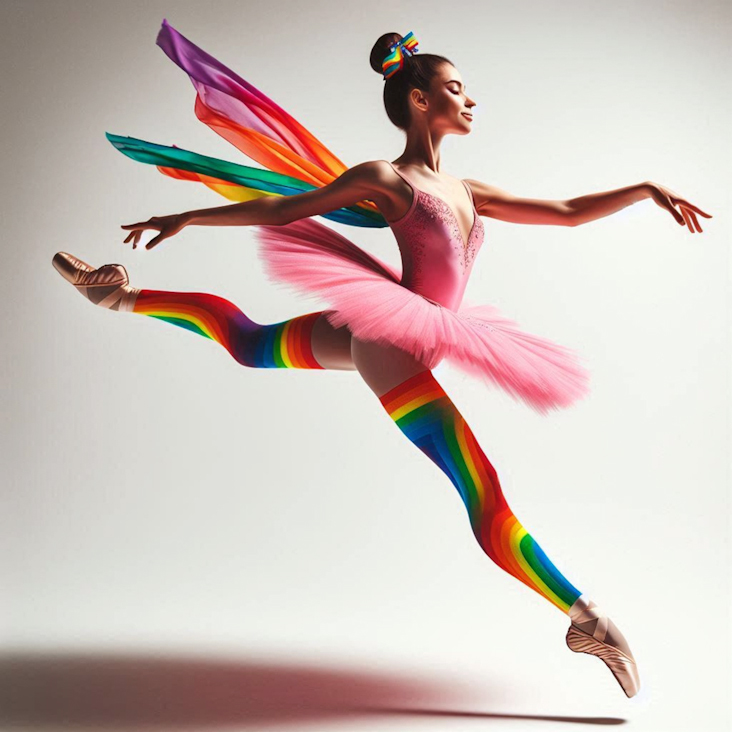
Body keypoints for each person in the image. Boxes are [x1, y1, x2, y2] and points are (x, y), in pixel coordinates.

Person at [52, 21, 712, 698]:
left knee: (250, 344)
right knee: (480, 490)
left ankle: (120, 299)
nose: (470, 100)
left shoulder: (469, 190)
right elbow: (288, 208)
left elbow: (568, 211)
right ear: (422, 101)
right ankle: (586, 617)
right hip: (391, 343)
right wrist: (189, 216)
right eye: (456, 88)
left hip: (394, 324)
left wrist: (644, 189)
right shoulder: (386, 179)